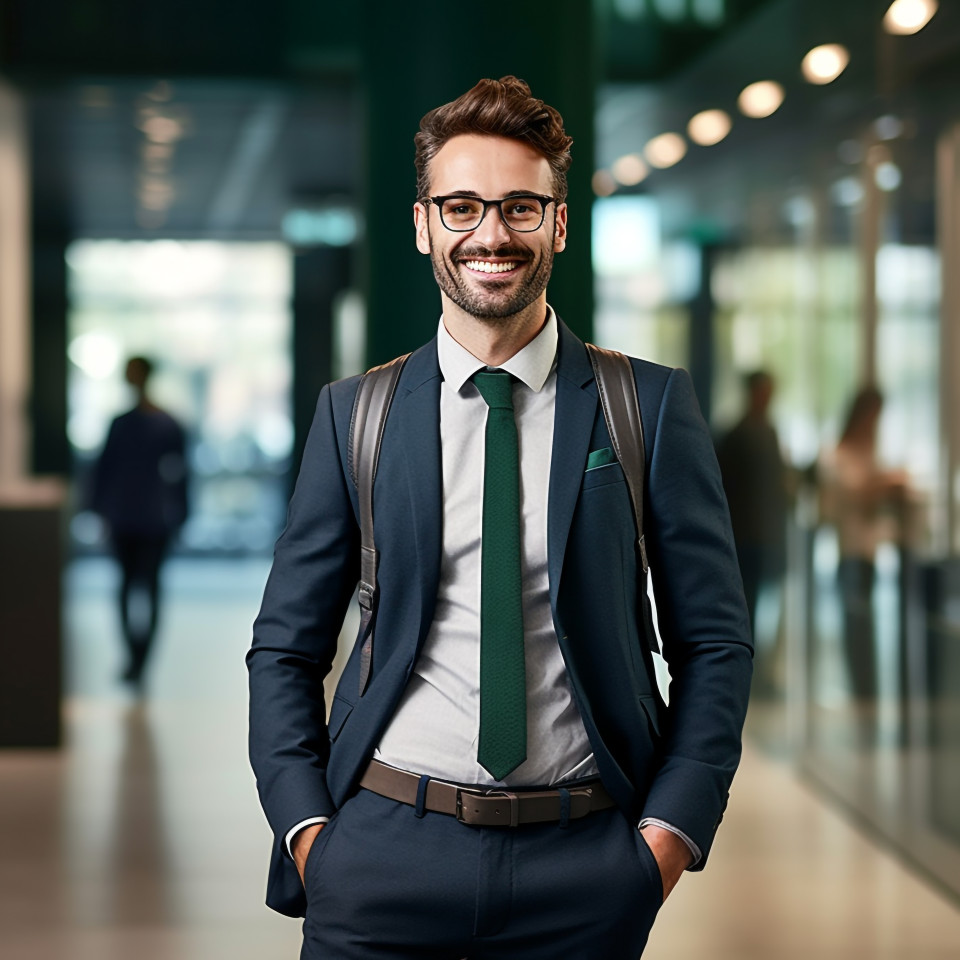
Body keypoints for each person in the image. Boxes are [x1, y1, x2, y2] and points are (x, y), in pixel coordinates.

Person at [247, 76, 753, 959]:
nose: (491, 234)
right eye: (463, 207)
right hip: (381, 858)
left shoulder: (647, 407)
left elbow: (714, 643)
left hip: (585, 866)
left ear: (559, 223)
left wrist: (668, 836)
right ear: (422, 225)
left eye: (521, 207)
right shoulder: (354, 414)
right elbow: (285, 646)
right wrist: (309, 833)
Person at [91, 356, 188, 687]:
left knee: (145, 586)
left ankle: (141, 658)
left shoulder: (163, 423)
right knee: (130, 586)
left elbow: (181, 473)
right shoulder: (126, 423)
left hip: (150, 516)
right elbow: (104, 470)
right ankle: (135, 655)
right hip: (130, 515)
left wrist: (182, 512)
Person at [820, 387, 909, 708]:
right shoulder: (840, 455)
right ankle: (863, 696)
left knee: (864, 629)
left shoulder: (870, 454)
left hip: (869, 552)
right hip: (851, 552)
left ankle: (867, 696)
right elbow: (854, 499)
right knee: (857, 629)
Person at [716, 370, 788, 693]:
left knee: (767, 606)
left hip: (768, 535)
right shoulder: (736, 435)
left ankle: (761, 671)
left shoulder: (770, 432)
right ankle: (746, 672)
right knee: (746, 606)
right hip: (744, 537)